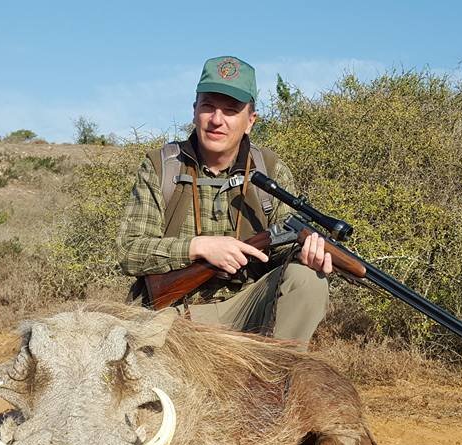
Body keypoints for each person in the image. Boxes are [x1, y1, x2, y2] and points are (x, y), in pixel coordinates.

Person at [117, 56, 331, 350]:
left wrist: (307, 256)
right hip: (173, 316)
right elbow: (129, 250)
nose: (217, 120)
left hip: (244, 310)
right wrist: (199, 247)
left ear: (250, 121)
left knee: (307, 278)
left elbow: (284, 251)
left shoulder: (270, 168)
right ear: (194, 112)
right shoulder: (162, 166)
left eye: (231, 111)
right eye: (208, 106)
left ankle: (274, 386)